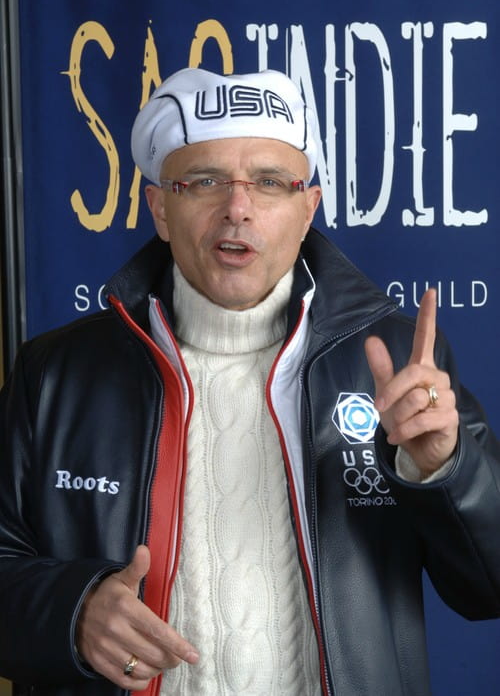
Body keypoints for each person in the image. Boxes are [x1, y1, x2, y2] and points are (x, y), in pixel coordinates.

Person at [0, 67, 499, 696]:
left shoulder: (400, 364)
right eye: (205, 181)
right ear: (159, 207)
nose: (238, 208)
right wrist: (72, 615)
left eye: (269, 183)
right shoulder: (54, 376)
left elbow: (490, 587)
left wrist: (445, 470)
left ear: (306, 207)